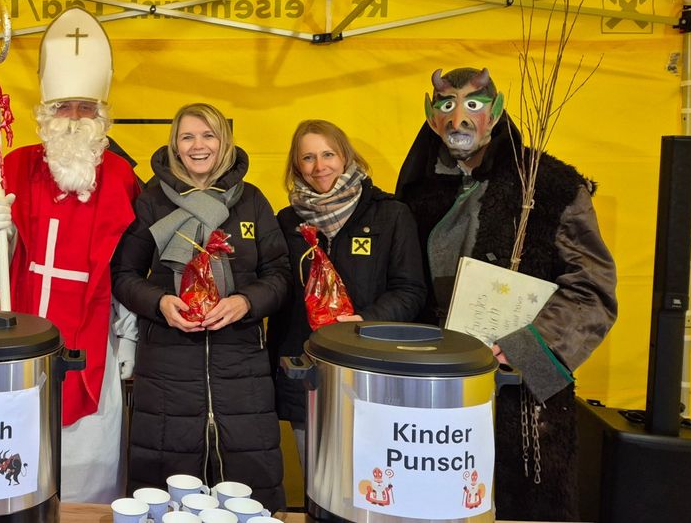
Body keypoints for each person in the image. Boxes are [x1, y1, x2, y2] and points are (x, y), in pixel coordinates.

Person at [396, 67, 618, 522]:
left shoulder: (550, 187)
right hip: (438, 383)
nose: (459, 119)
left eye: (473, 106)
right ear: (431, 116)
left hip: (519, 385)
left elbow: (592, 288)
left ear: (495, 113)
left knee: (521, 502)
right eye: (447, 106)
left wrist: (528, 349)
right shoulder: (417, 192)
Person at [0, 8, 141, 503]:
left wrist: (128, 342)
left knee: (88, 468)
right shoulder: (15, 166)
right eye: (63, 107)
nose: (74, 119)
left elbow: (126, 267)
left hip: (93, 344)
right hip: (17, 339)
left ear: (101, 117)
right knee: (13, 457)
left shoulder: (120, 177)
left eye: (85, 108)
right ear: (45, 114)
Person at [111, 103, 288, 512]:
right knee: (166, 495)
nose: (198, 146)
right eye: (187, 136)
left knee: (247, 493)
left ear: (223, 141)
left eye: (208, 135)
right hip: (168, 368)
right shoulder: (152, 201)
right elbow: (123, 274)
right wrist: (160, 302)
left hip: (241, 364)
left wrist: (246, 302)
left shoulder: (252, 201)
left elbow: (279, 274)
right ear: (175, 143)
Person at [269, 120, 426, 465]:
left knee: (375, 481)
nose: (319, 166)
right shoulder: (287, 223)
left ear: (346, 157)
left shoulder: (390, 214)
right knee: (318, 480)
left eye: (328, 154)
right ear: (297, 166)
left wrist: (365, 322)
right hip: (308, 374)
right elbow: (280, 300)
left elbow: (411, 290)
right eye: (308, 158)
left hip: (373, 373)